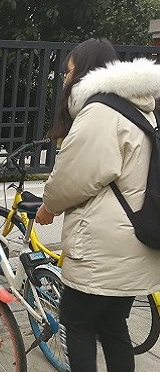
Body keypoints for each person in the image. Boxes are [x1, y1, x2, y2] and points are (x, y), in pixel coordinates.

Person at [35, 38, 160, 371]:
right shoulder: (140, 109)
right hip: (134, 240)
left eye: (69, 71)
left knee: (76, 323)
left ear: (85, 71)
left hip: (102, 249)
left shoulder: (101, 112)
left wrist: (48, 206)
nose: (65, 79)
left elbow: (73, 176)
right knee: (113, 325)